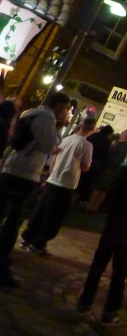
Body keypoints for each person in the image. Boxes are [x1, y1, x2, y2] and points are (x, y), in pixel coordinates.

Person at [77, 156, 127, 325]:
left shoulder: (124, 182)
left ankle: (84, 302)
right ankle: (109, 312)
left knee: (97, 267)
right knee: (119, 274)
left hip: (112, 228)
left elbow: (109, 201)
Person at [0, 92, 70, 287]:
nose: (65, 113)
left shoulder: (29, 113)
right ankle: (2, 267)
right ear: (57, 106)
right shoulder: (47, 118)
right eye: (65, 108)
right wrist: (58, 129)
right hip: (25, 173)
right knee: (14, 219)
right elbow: (49, 146)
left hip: (11, 167)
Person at [20, 117, 96, 254]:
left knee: (41, 209)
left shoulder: (66, 139)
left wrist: (51, 172)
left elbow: (54, 157)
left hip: (53, 179)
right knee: (55, 215)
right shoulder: (86, 145)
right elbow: (85, 166)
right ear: (92, 130)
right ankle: (39, 243)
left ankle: (27, 237)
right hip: (66, 184)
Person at [87, 129, 127, 212]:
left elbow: (118, 158)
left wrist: (110, 167)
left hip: (110, 169)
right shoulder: (119, 143)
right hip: (109, 168)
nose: (121, 134)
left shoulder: (123, 146)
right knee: (102, 188)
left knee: (100, 187)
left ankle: (92, 205)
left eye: (124, 134)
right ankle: (94, 206)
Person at [78, 125, 114, 203]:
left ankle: (75, 193)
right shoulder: (107, 141)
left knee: (80, 177)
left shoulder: (93, 135)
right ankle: (82, 198)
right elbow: (105, 154)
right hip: (95, 163)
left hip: (86, 158)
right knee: (88, 181)